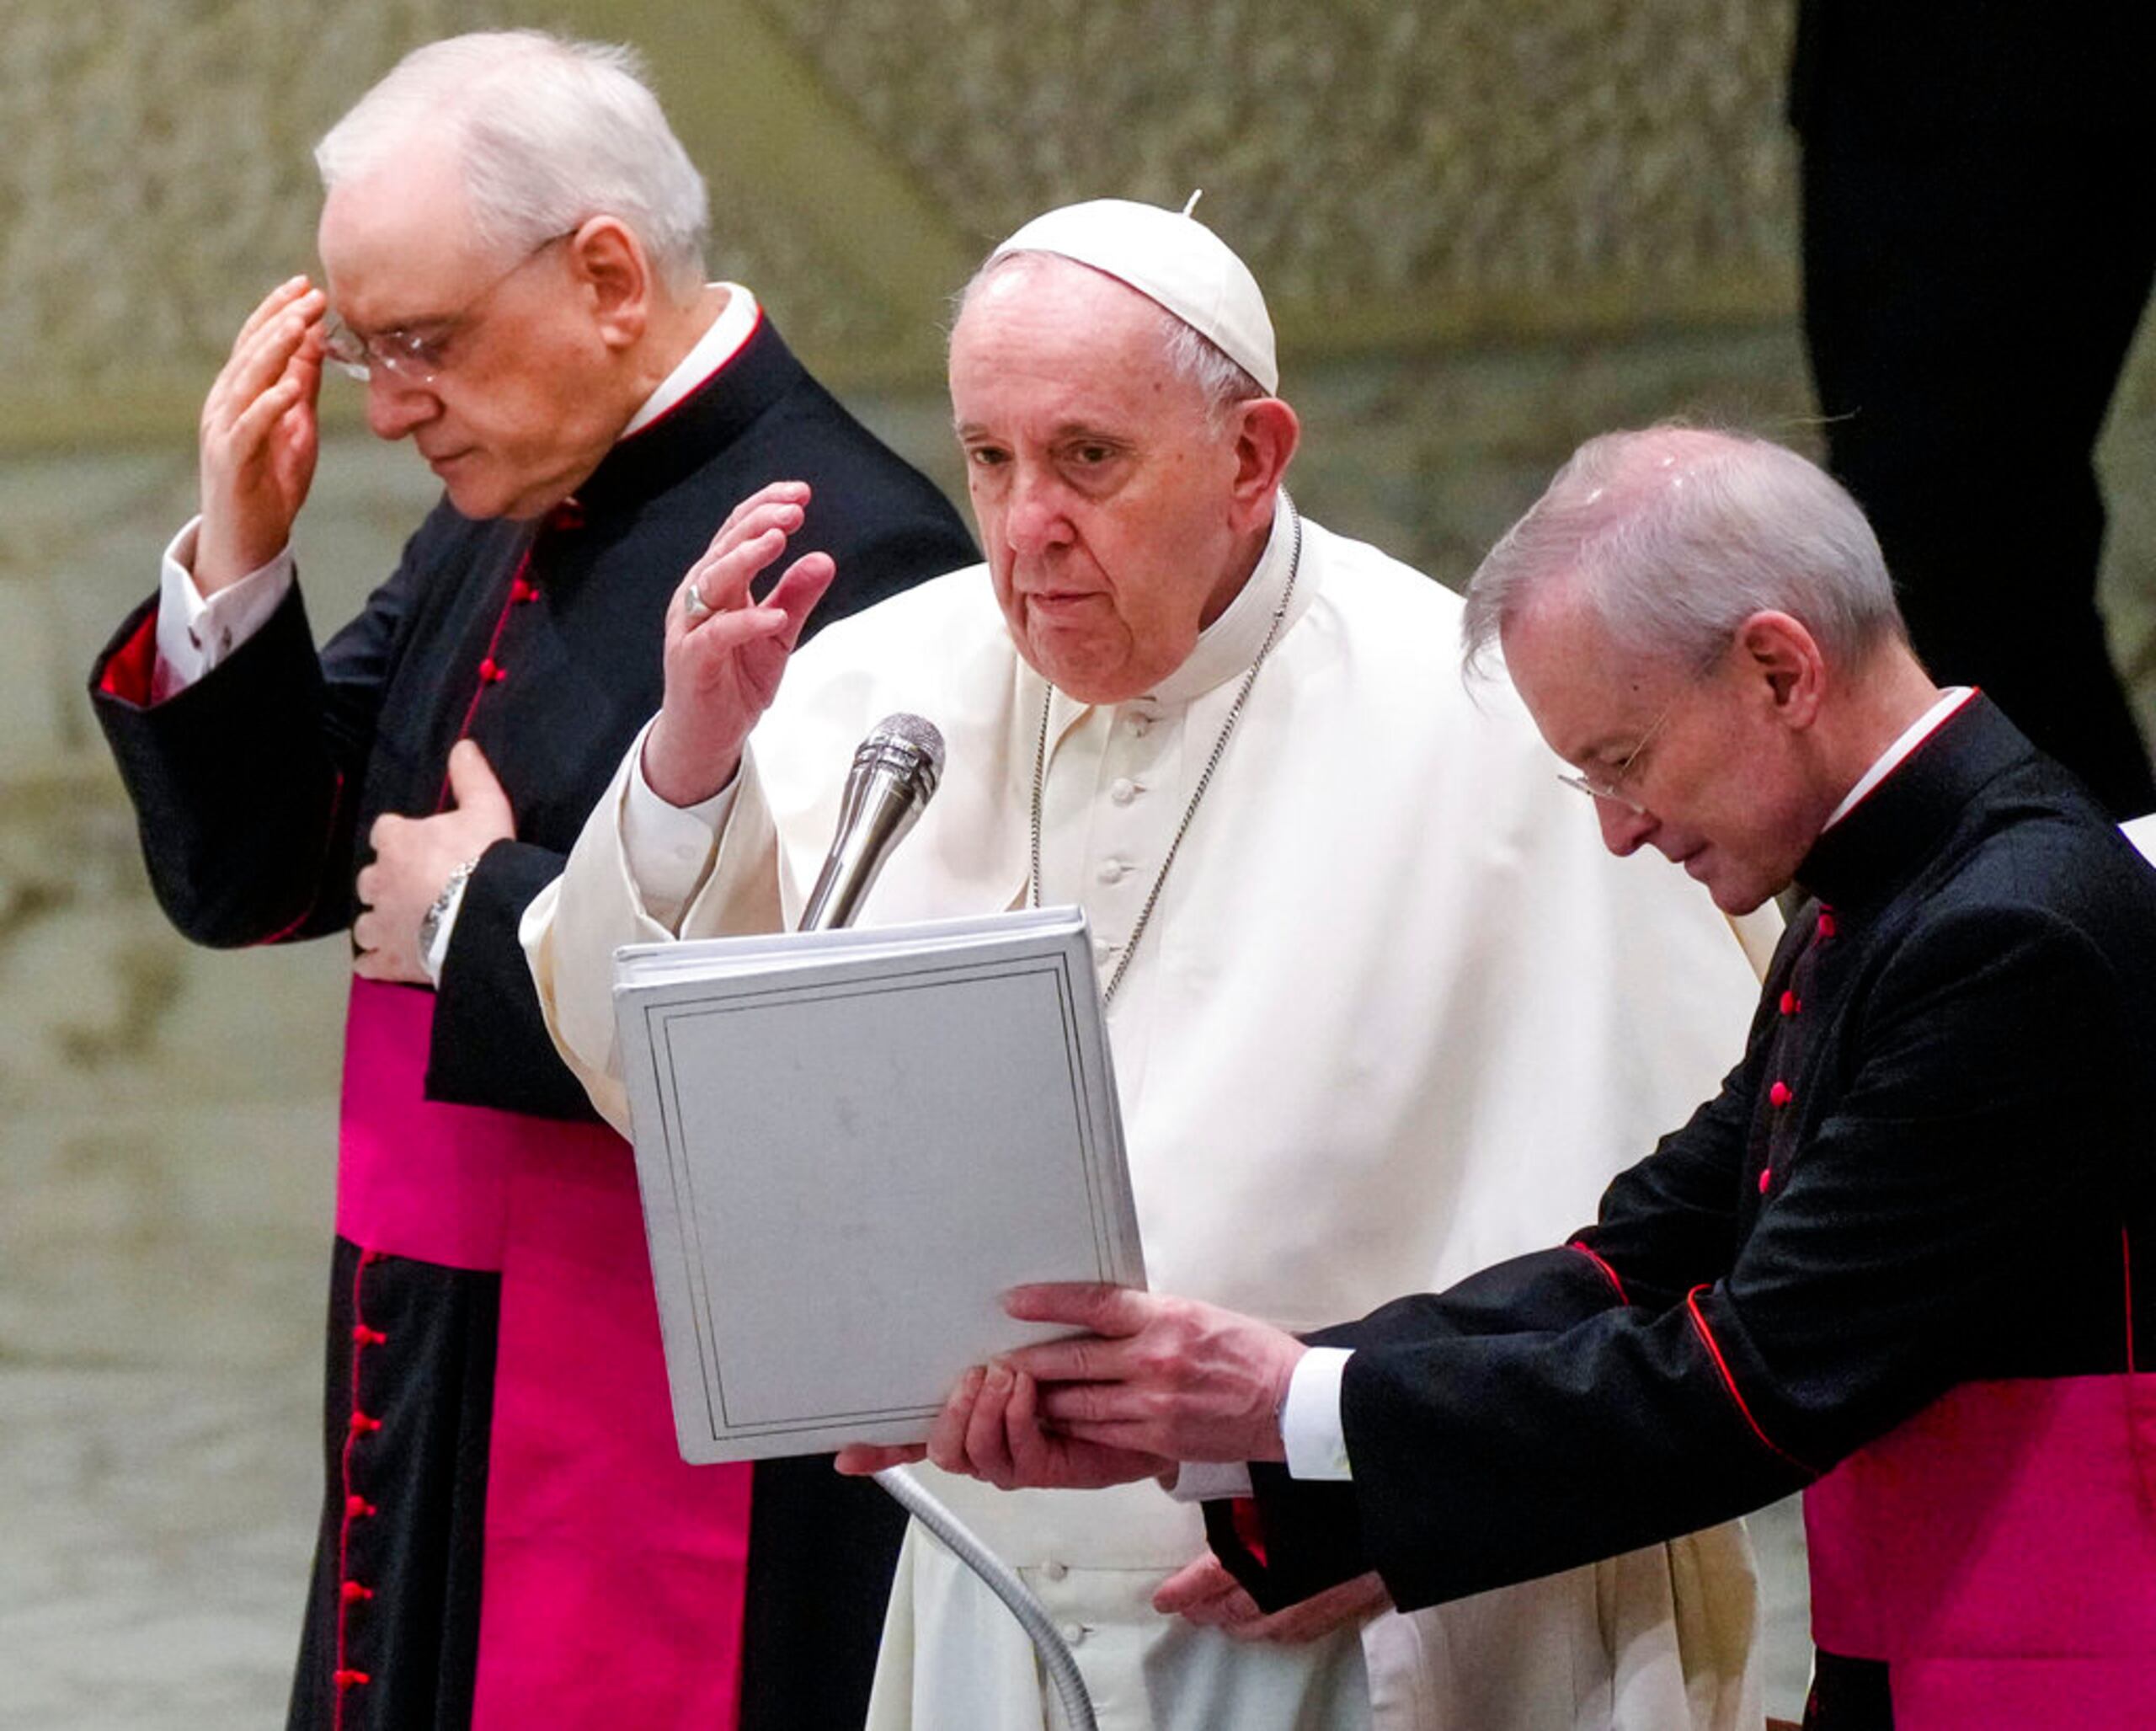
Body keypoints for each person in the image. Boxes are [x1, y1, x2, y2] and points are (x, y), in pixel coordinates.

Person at [525, 200, 1782, 1730]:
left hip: (1395, 1619)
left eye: (1088, 460)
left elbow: (1697, 1252)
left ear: (1253, 456)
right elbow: (627, 1057)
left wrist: (1421, 1498)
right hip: (1003, 1588)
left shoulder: (1487, 727)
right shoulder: (877, 691)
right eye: (989, 458)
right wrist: (689, 770)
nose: (1022, 525)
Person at [890, 427, 2156, 1730]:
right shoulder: (1895, 892)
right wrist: (1209, 1416)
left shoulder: (2011, 930)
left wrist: (1289, 1398)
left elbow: (1751, 1373)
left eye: (1621, 758)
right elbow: (1638, 1255)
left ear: (1780, 666)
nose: (1617, 827)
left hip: (2066, 1667)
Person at [88, 30, 974, 1730]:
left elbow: (836, 1070)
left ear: (607, 275)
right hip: (432, 1337)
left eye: (422, 343)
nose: (393, 404)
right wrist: (238, 549)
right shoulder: (501, 498)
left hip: (643, 1393)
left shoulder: (857, 550)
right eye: (366, 354)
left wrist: (480, 919)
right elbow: (263, 873)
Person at [1791, 1, 2156, 817]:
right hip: (1909, 74)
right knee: (1929, 541)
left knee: (1958, 535)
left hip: (2015, 74)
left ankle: (2085, 907)